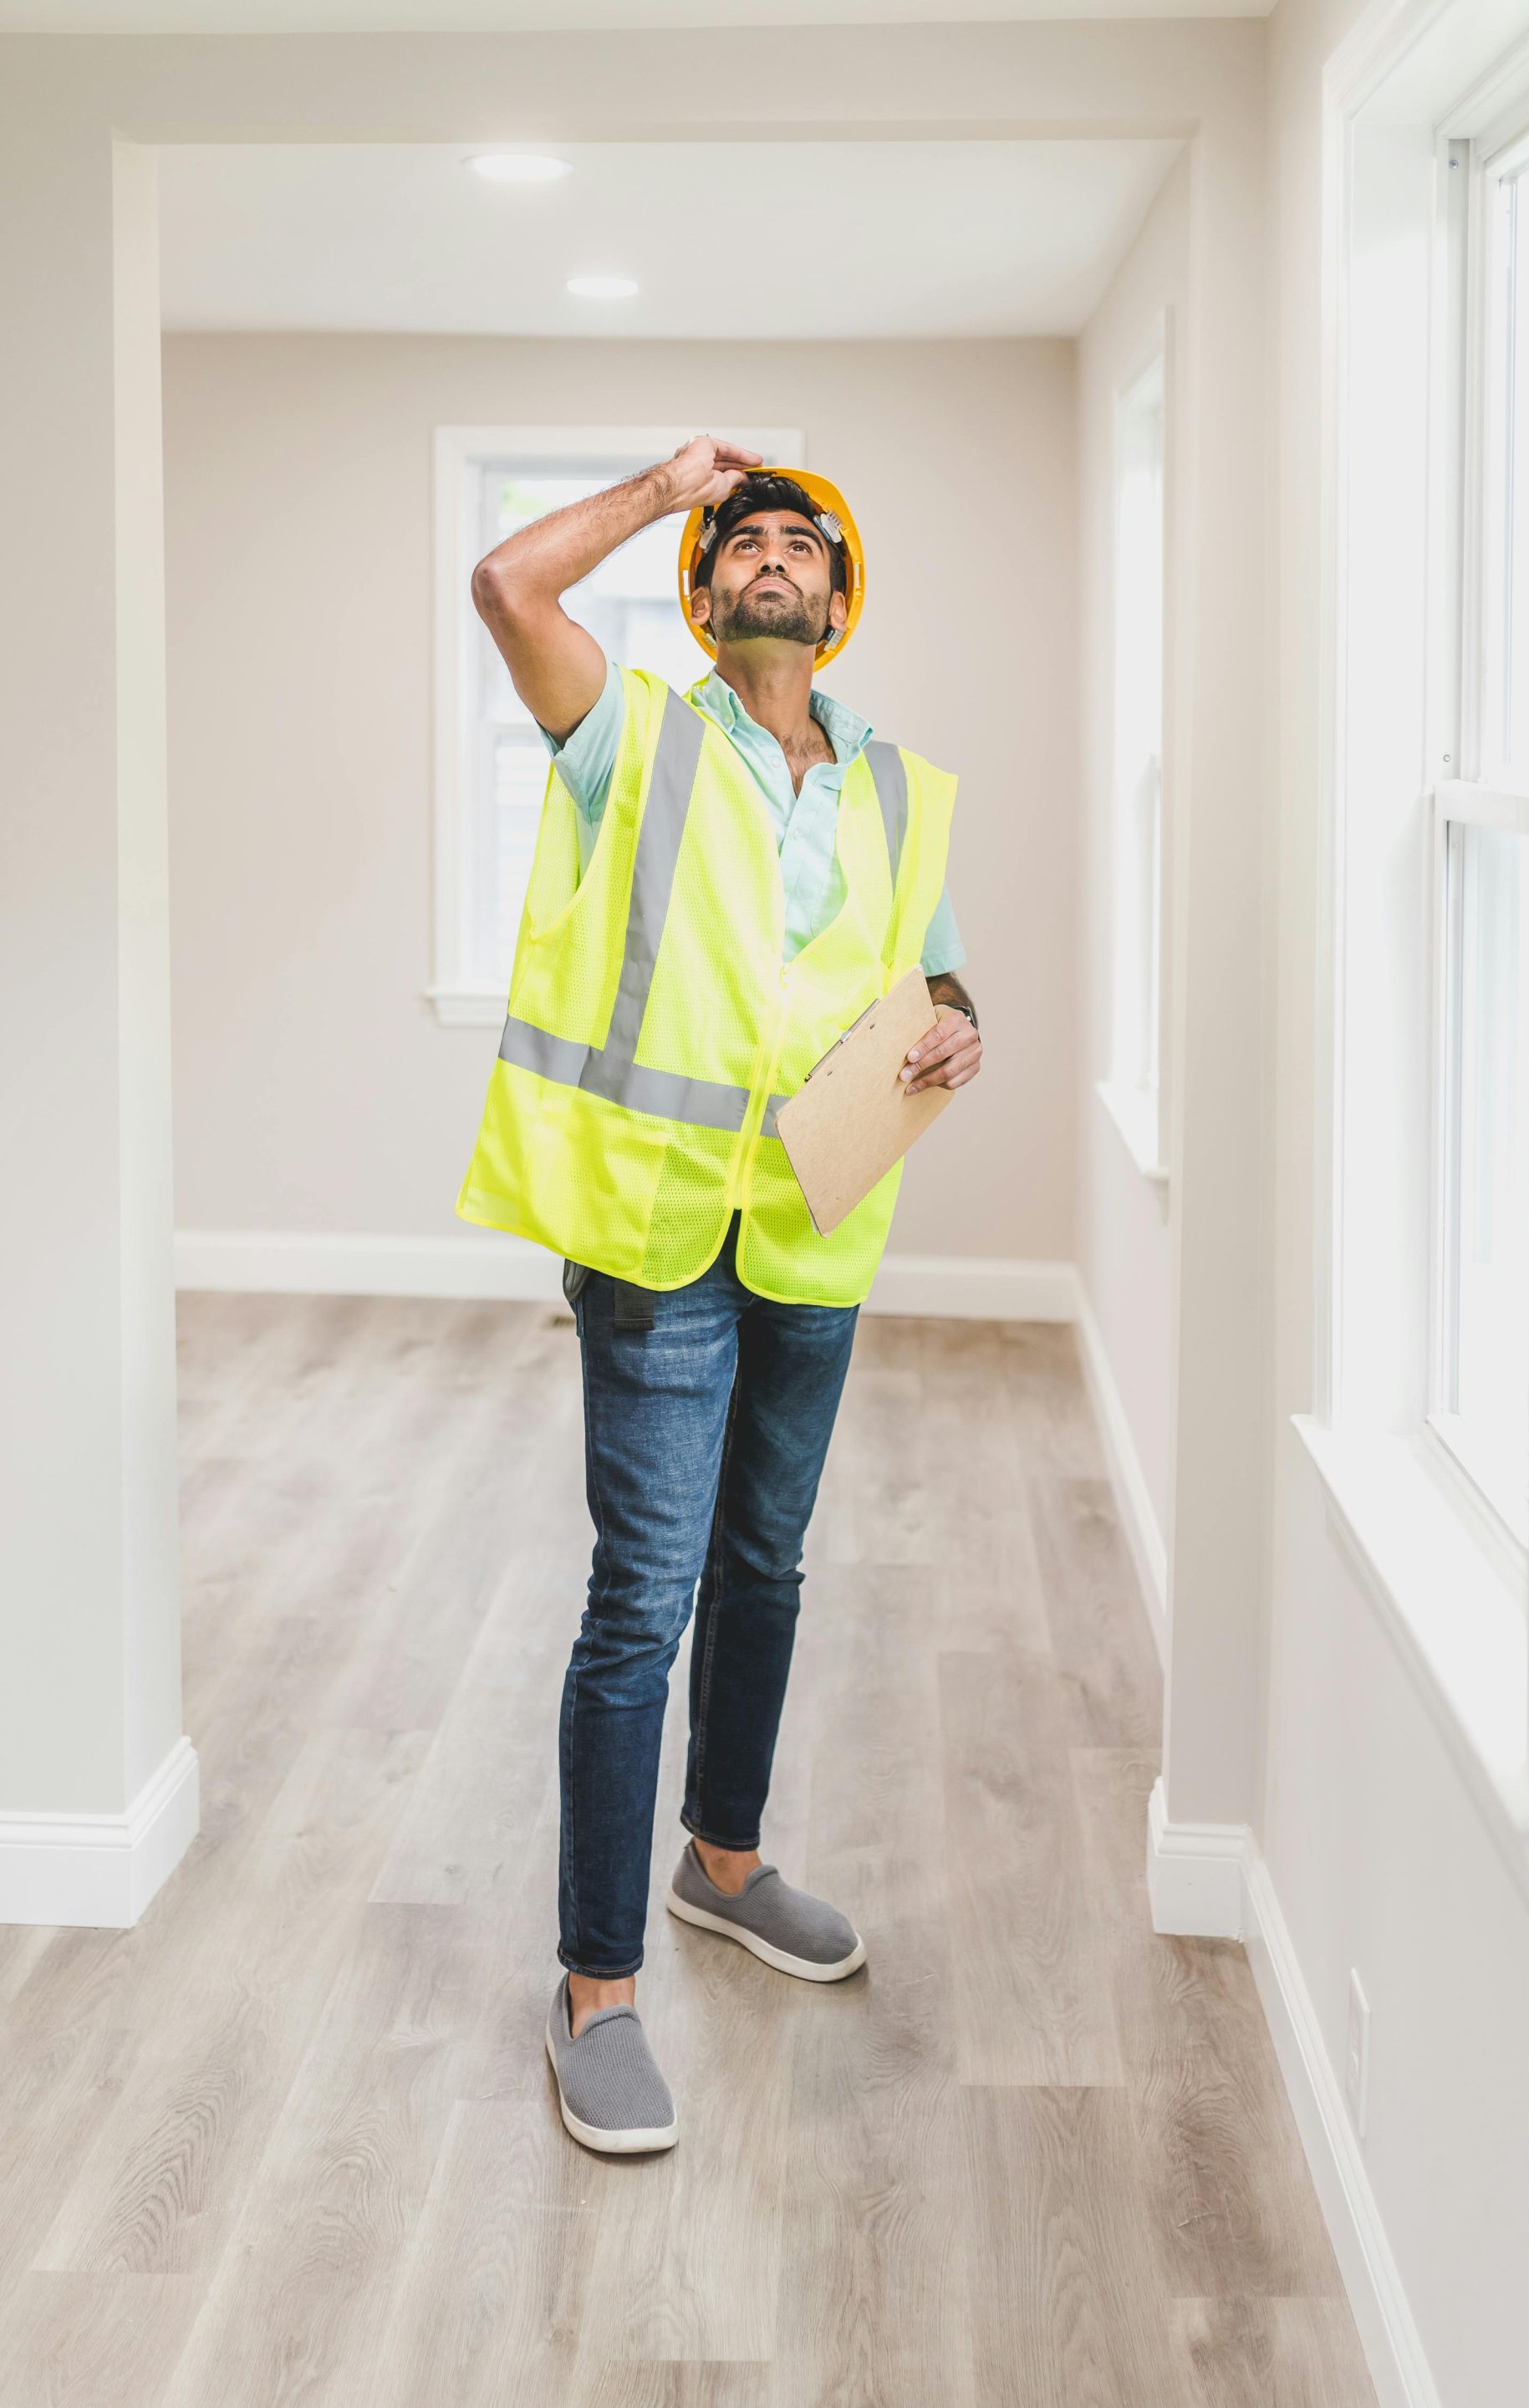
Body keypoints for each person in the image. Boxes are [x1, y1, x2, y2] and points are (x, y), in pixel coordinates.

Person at [459, 436, 982, 2153]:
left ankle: (725, 1862)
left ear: (837, 606)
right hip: (663, 1231)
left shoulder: (901, 787)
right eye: (741, 543)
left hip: (820, 1224)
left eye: (798, 548)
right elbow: (506, 585)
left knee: (767, 1562)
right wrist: (664, 480)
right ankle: (595, 1990)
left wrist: (957, 1022)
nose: (772, 556)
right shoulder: (636, 742)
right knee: (643, 1601)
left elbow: (933, 959)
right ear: (701, 594)